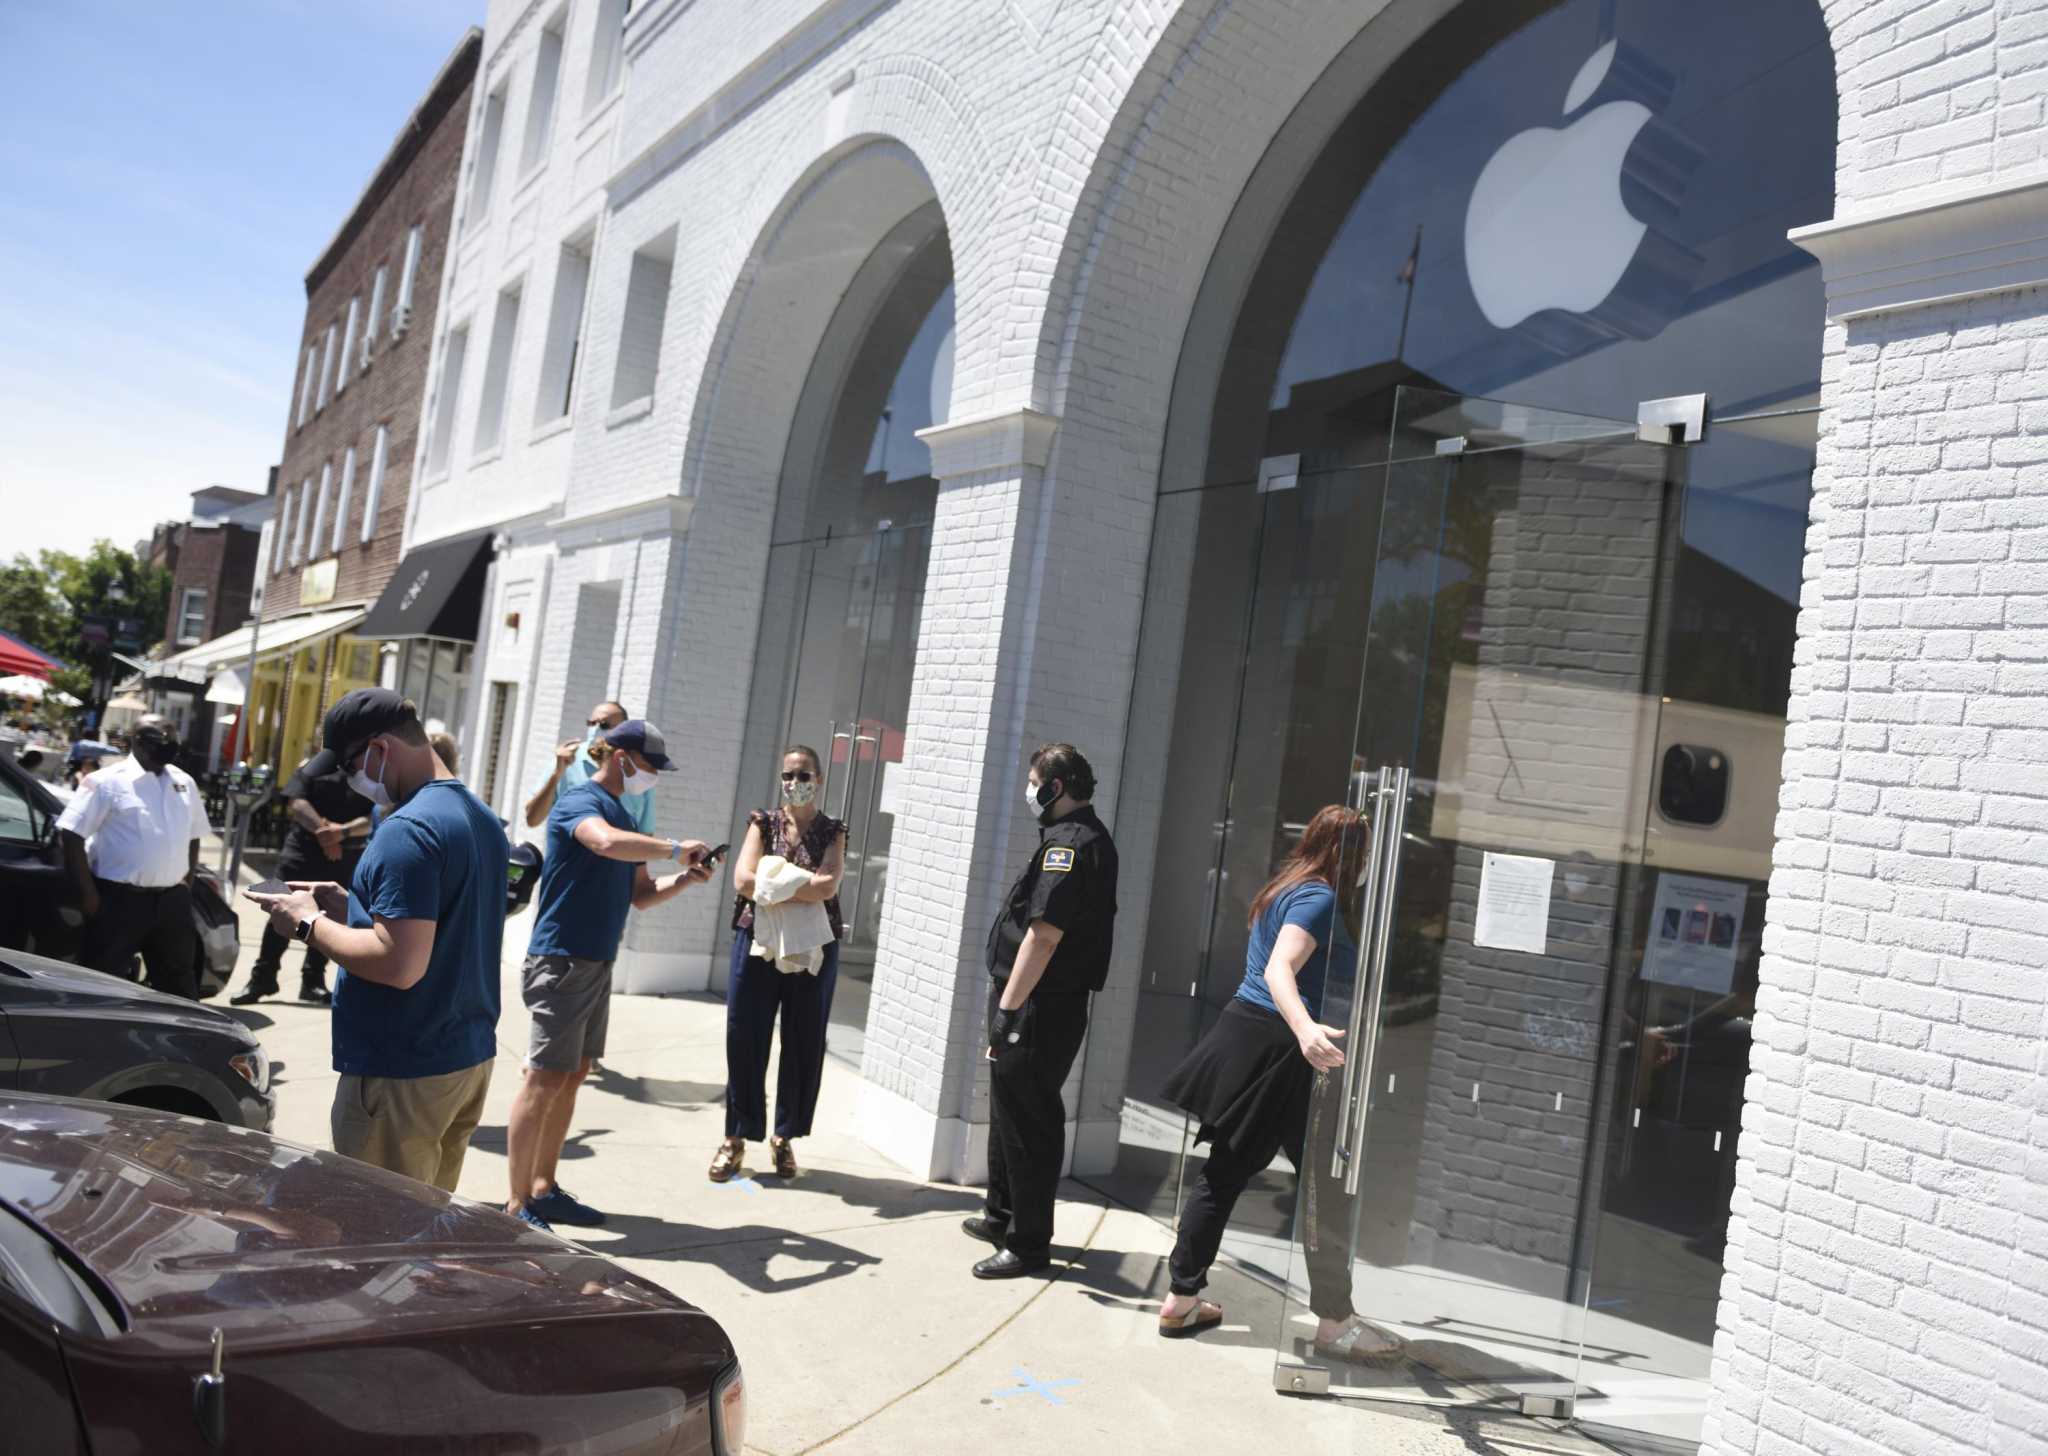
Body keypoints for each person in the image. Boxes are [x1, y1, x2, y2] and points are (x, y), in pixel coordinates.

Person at [1153, 805, 1393, 1361]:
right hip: (1282, 1055)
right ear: (1351, 854)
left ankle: (1182, 1297)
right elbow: (1278, 968)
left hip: (1247, 1038)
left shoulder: (1286, 888)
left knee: (1225, 1174)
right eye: (1367, 852)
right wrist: (1307, 1030)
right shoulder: (1319, 898)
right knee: (1324, 1187)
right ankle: (1335, 1323)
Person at [249, 689, 507, 1193]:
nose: (349, 778)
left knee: (376, 1236)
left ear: (380, 749)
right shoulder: (479, 818)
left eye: (349, 764)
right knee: (422, 1225)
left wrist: (305, 924)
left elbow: (400, 964)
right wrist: (351, 907)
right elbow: (442, 924)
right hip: (461, 1058)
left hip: (402, 1069)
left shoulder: (407, 829)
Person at [506, 720, 714, 1229]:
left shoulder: (625, 816)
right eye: (648, 765)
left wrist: (686, 877)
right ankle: (515, 1208)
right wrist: (669, 847)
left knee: (572, 1074)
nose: (653, 776)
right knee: (544, 1078)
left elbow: (639, 895)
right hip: (562, 959)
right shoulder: (581, 802)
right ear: (620, 757)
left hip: (596, 960)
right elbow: (601, 844)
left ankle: (543, 1187)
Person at [962, 743, 1119, 1279]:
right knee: (1008, 1110)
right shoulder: (1066, 839)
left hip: (1038, 1006)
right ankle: (1001, 1215)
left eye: (1035, 783)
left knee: (1029, 1121)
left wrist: (1009, 1011)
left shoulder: (1072, 846)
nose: (1030, 792)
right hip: (1028, 1000)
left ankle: (1028, 1245)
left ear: (1055, 787)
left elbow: (1045, 936)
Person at [713, 744, 847, 1184]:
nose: (796, 783)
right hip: (757, 941)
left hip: (813, 947)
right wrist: (795, 883)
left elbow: (827, 886)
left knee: (803, 1038)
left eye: (805, 775)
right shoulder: (763, 822)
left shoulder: (833, 830)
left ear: (820, 780)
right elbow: (743, 879)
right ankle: (736, 1136)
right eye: (789, 775)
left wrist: (774, 881)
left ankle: (784, 1136)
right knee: (744, 1034)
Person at [56, 715, 209, 998]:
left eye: (172, 740)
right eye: (159, 740)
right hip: (119, 901)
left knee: (179, 983)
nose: (168, 746)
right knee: (101, 982)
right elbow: (71, 835)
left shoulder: (184, 782)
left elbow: (194, 833)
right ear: (136, 742)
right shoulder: (105, 782)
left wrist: (186, 881)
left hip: (171, 902)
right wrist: (88, 894)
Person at [231, 755, 374, 1006]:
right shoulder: (311, 765)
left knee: (327, 918)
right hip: (301, 853)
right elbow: (297, 803)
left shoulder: (368, 773)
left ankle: (313, 982)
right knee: (281, 909)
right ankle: (262, 978)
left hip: (344, 856)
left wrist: (340, 833)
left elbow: (372, 816)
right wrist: (325, 833)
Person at [524, 701, 655, 835]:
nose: (596, 729)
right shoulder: (566, 761)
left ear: (623, 730)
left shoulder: (638, 771)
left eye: (604, 724)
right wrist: (556, 775)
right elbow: (532, 820)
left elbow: (646, 833)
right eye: (592, 723)